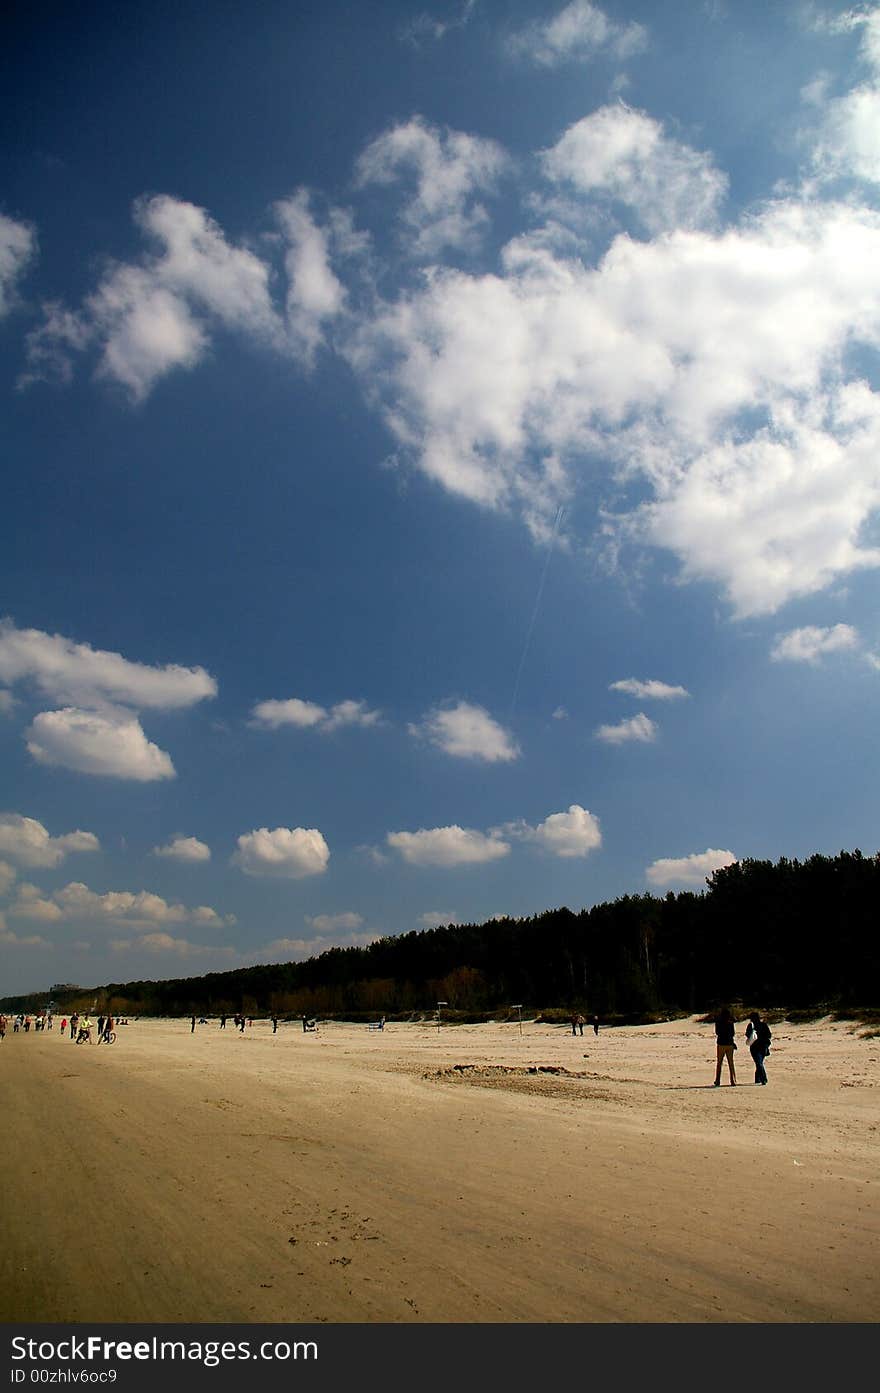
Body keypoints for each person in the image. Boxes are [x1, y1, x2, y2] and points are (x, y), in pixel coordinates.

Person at [745, 1012, 772, 1085]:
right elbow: (769, 1035)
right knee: (759, 1062)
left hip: (754, 1047)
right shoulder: (763, 1025)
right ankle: (758, 1079)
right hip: (763, 1047)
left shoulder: (751, 1025)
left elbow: (747, 1035)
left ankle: (763, 1079)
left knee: (759, 1063)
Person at [713, 1007, 737, 1086]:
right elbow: (733, 1033)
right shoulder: (730, 1023)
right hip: (730, 1044)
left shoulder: (718, 1022)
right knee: (731, 1063)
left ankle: (717, 1080)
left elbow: (717, 1032)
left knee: (719, 1063)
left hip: (721, 1043)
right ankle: (733, 1080)